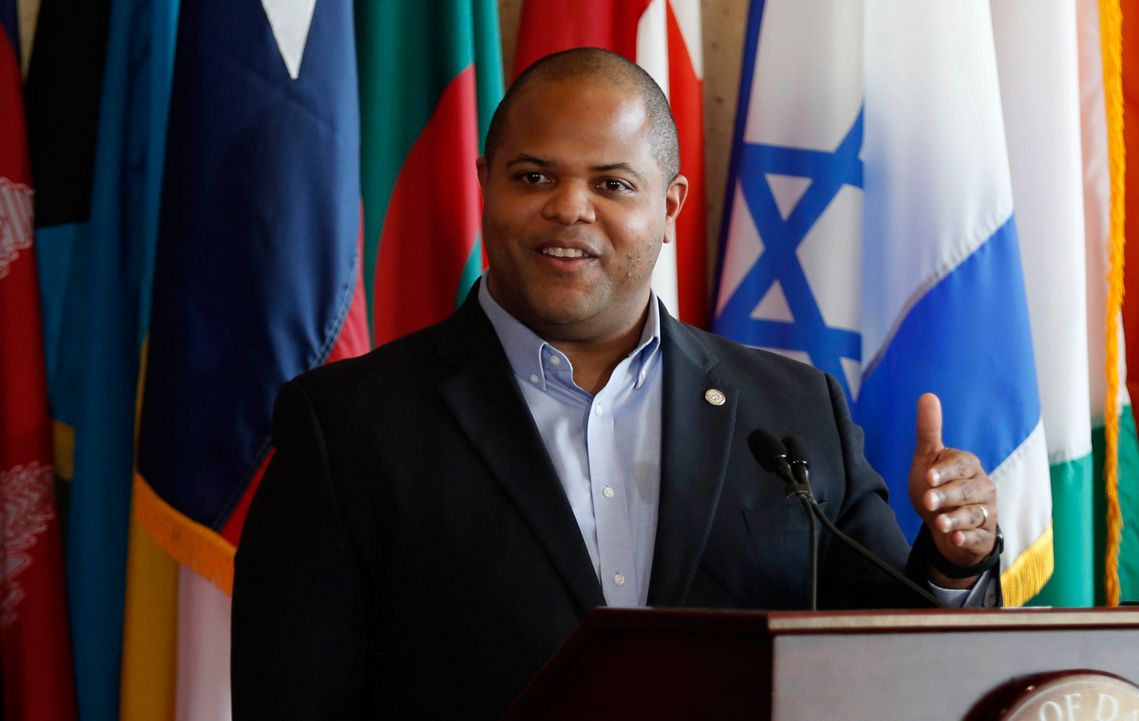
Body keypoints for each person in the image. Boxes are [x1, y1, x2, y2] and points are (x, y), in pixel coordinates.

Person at [231, 48, 1001, 719]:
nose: (570, 208)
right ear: (485, 184)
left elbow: (890, 662)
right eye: (534, 176)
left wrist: (953, 563)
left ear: (669, 207)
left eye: (612, 183)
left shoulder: (796, 411)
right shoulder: (345, 426)